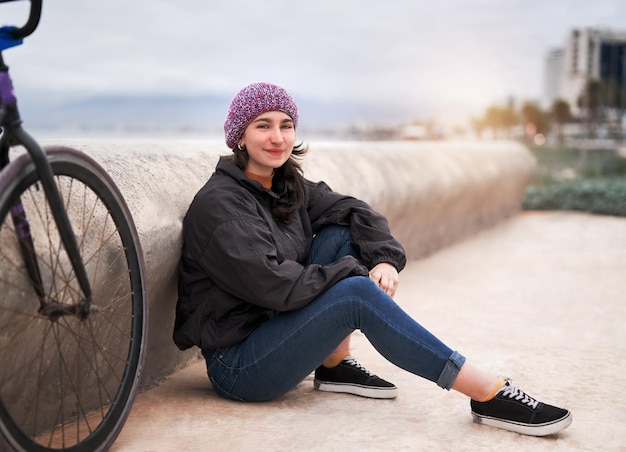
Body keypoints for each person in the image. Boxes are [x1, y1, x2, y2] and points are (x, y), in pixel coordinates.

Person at [174, 82, 572, 437]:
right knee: (355, 293)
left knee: (343, 234)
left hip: (273, 327)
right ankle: (487, 392)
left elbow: (354, 209)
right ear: (239, 137)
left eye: (285, 125)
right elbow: (277, 286)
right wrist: (355, 275)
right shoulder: (222, 206)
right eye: (263, 125)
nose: (277, 137)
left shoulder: (282, 184)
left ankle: (334, 363)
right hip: (241, 366)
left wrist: (382, 260)